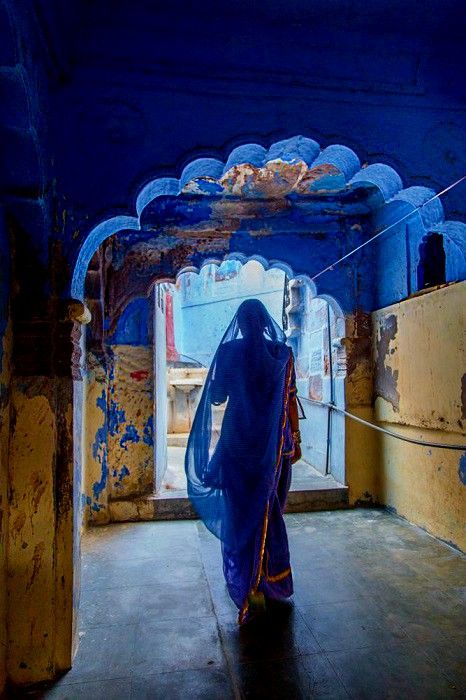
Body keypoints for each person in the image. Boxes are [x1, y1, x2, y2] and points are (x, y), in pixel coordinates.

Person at [185, 298, 302, 624]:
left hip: (237, 443)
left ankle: (246, 583)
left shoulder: (229, 353)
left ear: (239, 323)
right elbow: (290, 400)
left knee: (240, 512)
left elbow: (218, 396)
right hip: (272, 445)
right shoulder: (281, 353)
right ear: (266, 323)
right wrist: (297, 440)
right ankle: (266, 581)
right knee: (268, 509)